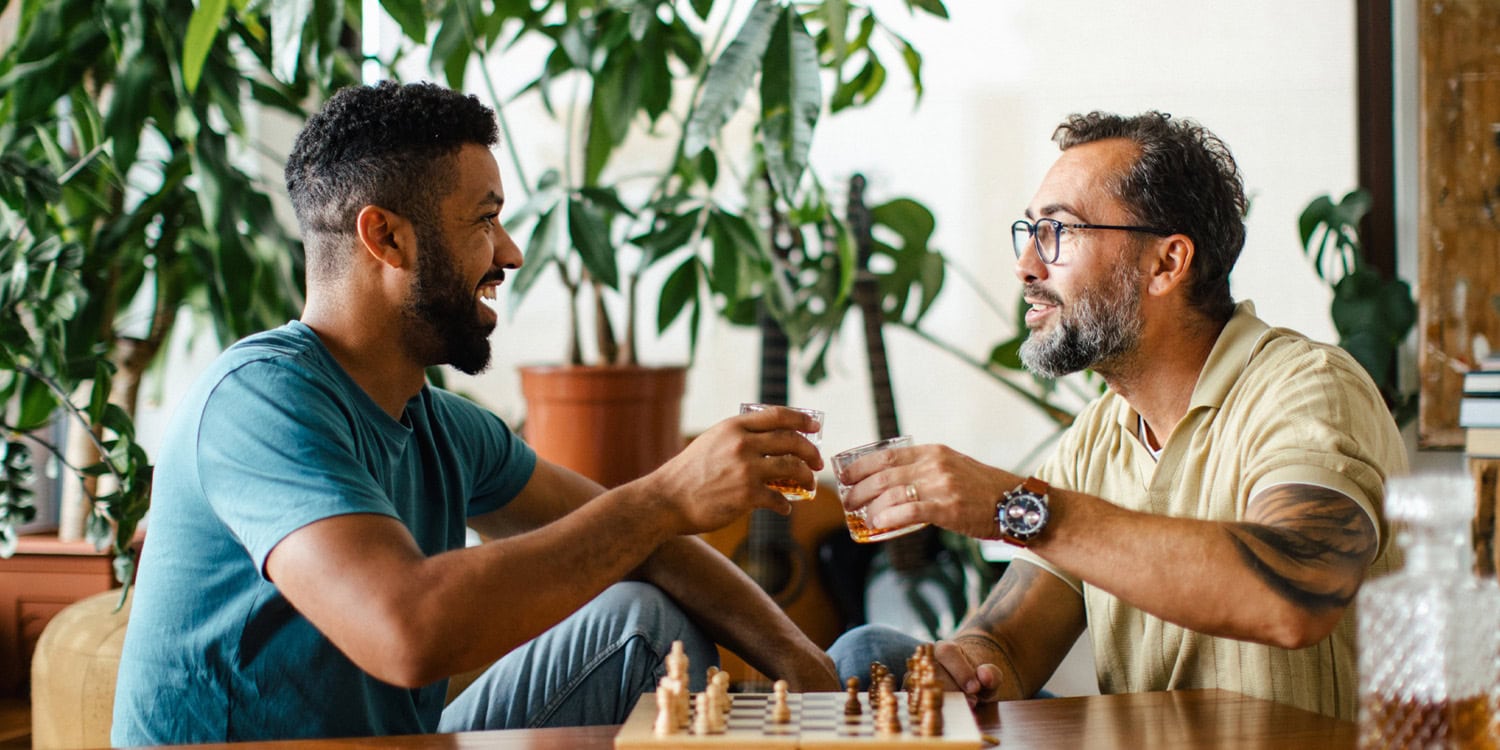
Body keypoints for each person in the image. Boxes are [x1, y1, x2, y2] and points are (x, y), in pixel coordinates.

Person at [111, 81, 838, 745]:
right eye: (485, 221)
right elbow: (408, 632)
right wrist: (664, 497)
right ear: (386, 237)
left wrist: (801, 662)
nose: (511, 253)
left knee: (648, 624)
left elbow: (649, 546)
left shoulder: (440, 423)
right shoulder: (258, 399)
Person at [827, 110, 1404, 720]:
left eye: (1059, 232)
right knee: (871, 651)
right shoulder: (1100, 434)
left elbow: (1296, 593)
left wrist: (1013, 506)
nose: (1026, 266)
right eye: (1029, 231)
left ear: (1167, 264)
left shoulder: (1307, 387)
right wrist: (965, 667)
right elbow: (1010, 647)